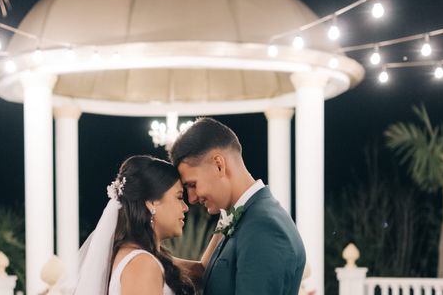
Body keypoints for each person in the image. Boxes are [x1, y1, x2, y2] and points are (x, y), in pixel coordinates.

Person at [169, 117, 306, 295]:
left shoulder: (264, 227)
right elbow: (205, 272)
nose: (192, 199)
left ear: (219, 165)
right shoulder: (240, 215)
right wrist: (150, 256)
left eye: (192, 185)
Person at [71, 155, 220, 295]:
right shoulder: (142, 264)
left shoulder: (140, 255)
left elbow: (202, 271)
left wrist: (228, 214)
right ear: (152, 202)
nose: (185, 207)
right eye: (179, 197)